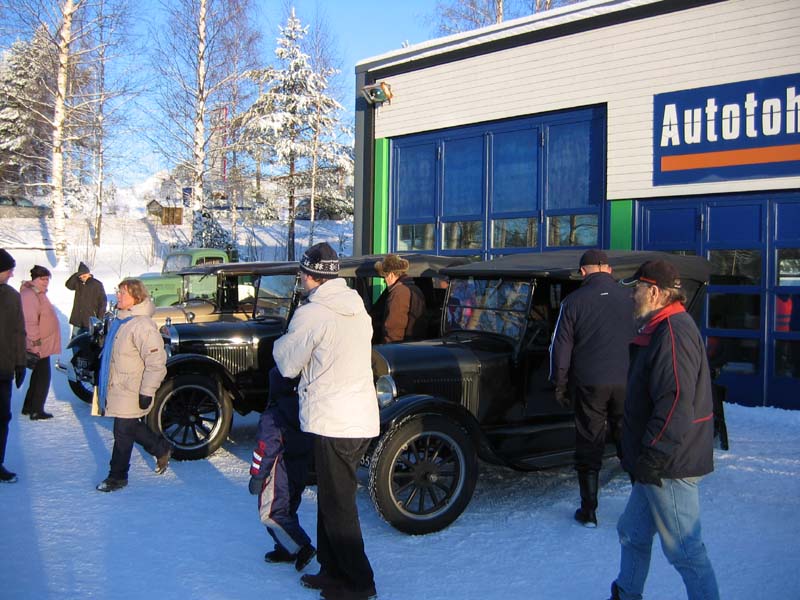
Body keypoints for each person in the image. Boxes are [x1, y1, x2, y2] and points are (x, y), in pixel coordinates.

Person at [607, 260, 719, 600]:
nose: (631, 296)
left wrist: (654, 454)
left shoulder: (673, 332)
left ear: (654, 292)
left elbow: (675, 402)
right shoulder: (661, 328)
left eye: (636, 288)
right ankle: (626, 593)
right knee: (632, 531)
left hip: (669, 464)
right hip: (654, 461)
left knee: (685, 550)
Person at [273, 242, 379, 600]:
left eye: (301, 275)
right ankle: (332, 571)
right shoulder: (355, 307)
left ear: (311, 276)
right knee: (332, 501)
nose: (300, 280)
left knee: (339, 506)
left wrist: (281, 340)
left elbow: (286, 364)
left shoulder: (313, 313)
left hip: (334, 419)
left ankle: (360, 582)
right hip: (356, 417)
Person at [549, 249, 633, 527]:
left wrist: (559, 384)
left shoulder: (573, 301)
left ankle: (589, 510)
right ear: (608, 269)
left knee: (589, 439)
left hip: (590, 382)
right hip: (626, 379)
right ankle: (644, 507)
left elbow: (561, 348)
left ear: (583, 272)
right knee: (627, 438)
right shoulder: (630, 298)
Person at [95, 278, 172, 493]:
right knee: (128, 428)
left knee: (123, 431)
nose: (118, 296)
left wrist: (147, 391)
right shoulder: (122, 321)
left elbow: (156, 362)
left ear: (136, 298)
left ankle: (117, 477)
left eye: (123, 293)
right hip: (119, 387)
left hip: (132, 388)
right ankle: (161, 447)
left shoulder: (142, 325)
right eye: (118, 292)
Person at [248, 367, 315, 571]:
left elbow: (264, 448)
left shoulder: (274, 416)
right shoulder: (305, 409)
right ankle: (286, 548)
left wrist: (257, 476)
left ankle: (302, 546)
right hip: (299, 470)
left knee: (271, 513)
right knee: (287, 510)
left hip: (277, 472)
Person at [20, 265, 61, 420]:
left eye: (47, 279)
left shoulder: (38, 293)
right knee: (42, 377)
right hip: (37, 344)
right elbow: (29, 322)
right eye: (42, 279)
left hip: (42, 343)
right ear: (34, 278)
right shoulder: (29, 295)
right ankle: (36, 410)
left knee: (39, 375)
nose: (45, 282)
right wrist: (35, 343)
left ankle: (29, 406)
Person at [0, 249, 26, 483]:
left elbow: (19, 332)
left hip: (3, 369)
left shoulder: (11, 296)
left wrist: (20, 363)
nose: (10, 274)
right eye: (8, 270)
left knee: (2, 418)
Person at [373, 254, 426, 343]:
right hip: (412, 345)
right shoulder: (414, 288)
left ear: (390, 275)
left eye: (384, 277)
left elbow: (393, 328)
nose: (384, 281)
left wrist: (388, 349)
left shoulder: (398, 292)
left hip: (398, 348)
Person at [65, 261, 107, 338]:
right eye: (81, 276)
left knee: (88, 344)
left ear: (89, 274)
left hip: (90, 321)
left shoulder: (97, 284)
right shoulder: (78, 283)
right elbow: (68, 285)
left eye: (84, 276)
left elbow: (103, 302)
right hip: (77, 320)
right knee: (75, 342)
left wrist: (99, 318)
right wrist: (76, 274)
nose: (82, 278)